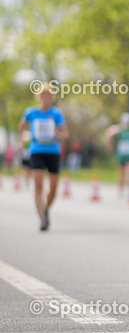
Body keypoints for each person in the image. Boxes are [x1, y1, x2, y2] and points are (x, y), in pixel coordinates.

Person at [18, 83, 68, 231]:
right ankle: (42, 218)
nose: (47, 98)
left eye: (49, 96)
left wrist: (58, 134)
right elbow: (21, 126)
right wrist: (21, 141)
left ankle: (46, 209)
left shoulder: (56, 114)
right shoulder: (31, 112)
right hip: (37, 149)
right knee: (38, 183)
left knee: (53, 188)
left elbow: (66, 134)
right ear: (39, 97)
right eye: (44, 95)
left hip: (53, 150)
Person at [106, 113, 129, 196]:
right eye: (125, 122)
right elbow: (109, 133)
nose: (127, 123)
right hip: (121, 155)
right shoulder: (118, 129)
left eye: (128, 122)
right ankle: (120, 189)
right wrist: (110, 145)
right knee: (121, 173)